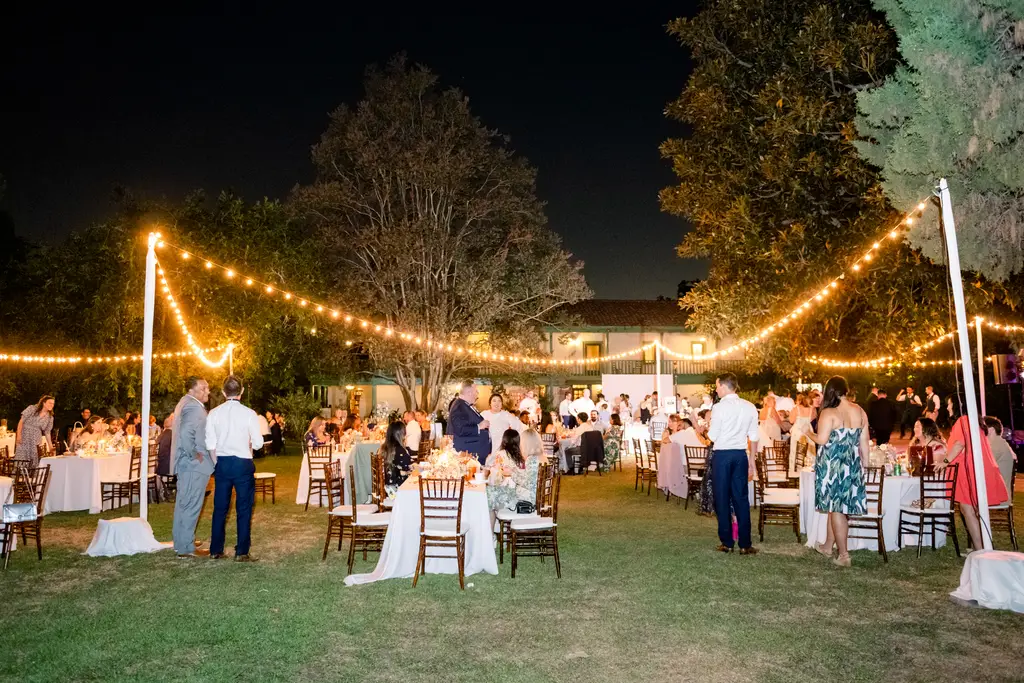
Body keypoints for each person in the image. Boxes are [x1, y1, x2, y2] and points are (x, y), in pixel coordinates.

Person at [803, 376, 869, 568]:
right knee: (835, 507)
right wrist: (865, 465)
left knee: (837, 509)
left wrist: (807, 432)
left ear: (829, 391)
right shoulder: (860, 411)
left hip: (833, 466)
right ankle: (826, 546)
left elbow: (822, 440)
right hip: (852, 464)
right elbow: (864, 442)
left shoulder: (829, 412)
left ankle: (844, 555)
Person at [205, 375, 263, 562]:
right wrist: (249, 445)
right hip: (243, 464)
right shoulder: (249, 414)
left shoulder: (213, 413)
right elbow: (259, 443)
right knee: (244, 508)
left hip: (222, 463)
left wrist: (217, 463)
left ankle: (216, 549)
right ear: (242, 391)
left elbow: (210, 444)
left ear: (223, 392)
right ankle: (242, 552)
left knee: (220, 508)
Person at [935, 415, 1009, 551]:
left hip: (968, 468)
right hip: (972, 467)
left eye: (949, 404)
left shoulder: (964, 419)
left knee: (968, 509)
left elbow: (959, 444)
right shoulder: (972, 420)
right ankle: (979, 548)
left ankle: (980, 550)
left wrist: (945, 462)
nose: (947, 407)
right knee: (968, 510)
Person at [707, 372, 759, 555]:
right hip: (740, 455)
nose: (716, 390)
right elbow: (754, 437)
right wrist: (752, 461)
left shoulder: (719, 408)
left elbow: (712, 436)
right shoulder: (750, 406)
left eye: (717, 386)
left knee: (722, 498)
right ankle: (745, 544)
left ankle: (727, 542)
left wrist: (705, 429)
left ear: (723, 386)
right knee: (741, 499)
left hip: (722, 456)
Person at [171, 376, 213, 558]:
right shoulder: (193, 407)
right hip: (193, 465)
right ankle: (187, 547)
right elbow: (186, 433)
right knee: (191, 505)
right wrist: (193, 454)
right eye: (203, 388)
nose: (208, 391)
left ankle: (181, 541)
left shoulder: (185, 402)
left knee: (184, 503)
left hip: (187, 465)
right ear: (191, 390)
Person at [486, 429, 540, 513]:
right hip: (530, 494)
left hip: (526, 497)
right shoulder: (539, 457)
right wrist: (515, 470)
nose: (520, 444)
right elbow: (529, 477)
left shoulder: (532, 459)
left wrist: (511, 473)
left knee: (490, 493)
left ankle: (489, 519)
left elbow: (530, 484)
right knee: (492, 492)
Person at [447, 381, 490, 464]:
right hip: (468, 454)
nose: (477, 394)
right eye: (476, 391)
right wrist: (479, 426)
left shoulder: (464, 405)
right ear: (469, 392)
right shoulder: (459, 406)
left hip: (473, 452)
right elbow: (460, 429)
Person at [15, 395, 55, 467]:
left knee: (34, 458)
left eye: (53, 404)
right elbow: (21, 422)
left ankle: (32, 474)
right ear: (44, 403)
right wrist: (18, 435)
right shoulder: (32, 408)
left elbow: (47, 432)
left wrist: (50, 447)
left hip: (36, 439)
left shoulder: (50, 417)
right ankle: (19, 473)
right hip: (24, 435)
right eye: (50, 403)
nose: (52, 405)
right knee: (21, 457)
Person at [984, 416, 1017, 497]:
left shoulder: (996, 445)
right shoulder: (1000, 442)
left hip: (996, 496)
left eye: (982, 427)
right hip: (997, 493)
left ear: (991, 429)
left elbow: (981, 466)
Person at [788, 393, 818, 473]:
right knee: (809, 451)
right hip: (808, 431)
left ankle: (795, 471)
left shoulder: (796, 409)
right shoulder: (812, 409)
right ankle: (809, 470)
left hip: (798, 431)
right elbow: (813, 418)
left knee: (795, 450)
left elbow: (791, 421)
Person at [380, 421, 413, 487]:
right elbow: (407, 468)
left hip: (387, 484)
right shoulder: (400, 451)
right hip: (397, 487)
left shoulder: (384, 448)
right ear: (401, 435)